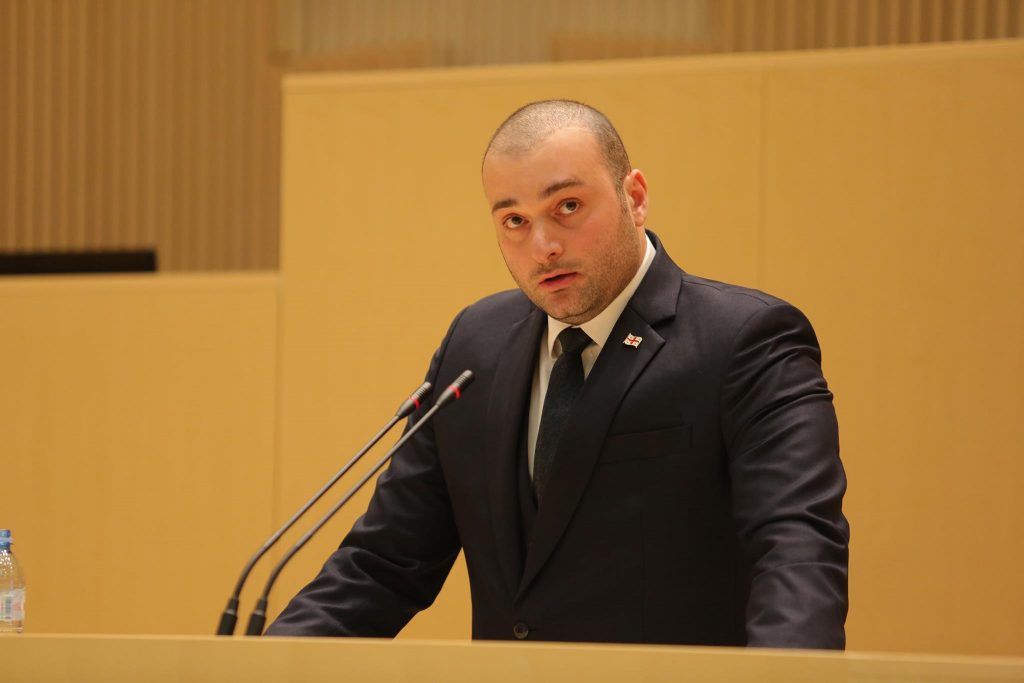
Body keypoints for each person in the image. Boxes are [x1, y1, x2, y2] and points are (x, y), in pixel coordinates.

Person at [266, 100, 850, 648]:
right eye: (514, 220)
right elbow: (384, 564)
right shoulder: (476, 347)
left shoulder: (745, 340)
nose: (542, 245)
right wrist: (257, 669)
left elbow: (797, 552)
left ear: (635, 197)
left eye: (567, 207)